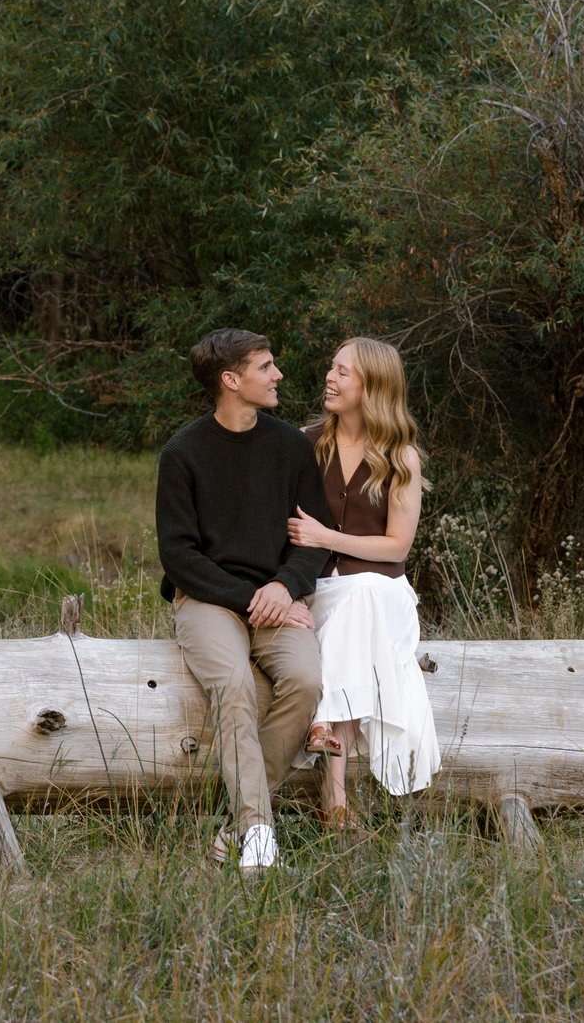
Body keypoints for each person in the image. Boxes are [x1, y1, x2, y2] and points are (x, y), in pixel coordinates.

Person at [155, 328, 333, 874]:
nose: (277, 375)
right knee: (233, 686)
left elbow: (314, 537)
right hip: (208, 600)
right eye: (266, 366)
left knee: (304, 681)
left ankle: (236, 826)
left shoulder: (291, 447)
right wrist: (256, 596)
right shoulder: (183, 453)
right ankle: (258, 834)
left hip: (276, 599)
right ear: (231, 381)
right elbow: (179, 556)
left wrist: (282, 587)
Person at [285, 336, 439, 825]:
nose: (329, 378)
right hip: (322, 590)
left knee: (365, 595)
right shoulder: (306, 443)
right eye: (331, 368)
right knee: (352, 610)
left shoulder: (401, 457)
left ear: (372, 385)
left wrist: (326, 535)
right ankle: (335, 800)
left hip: (381, 593)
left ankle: (334, 789)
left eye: (342, 371)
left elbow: (397, 547)